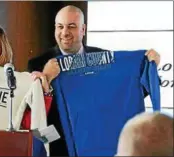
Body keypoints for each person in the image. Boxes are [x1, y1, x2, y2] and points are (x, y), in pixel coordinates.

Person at [28, 5, 162, 156]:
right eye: (60, 27)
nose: (64, 33)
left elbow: (127, 92)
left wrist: (150, 67)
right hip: (60, 147)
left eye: (71, 26)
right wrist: (46, 79)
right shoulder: (38, 64)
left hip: (99, 142)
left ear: (83, 30)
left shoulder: (103, 58)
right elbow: (33, 116)